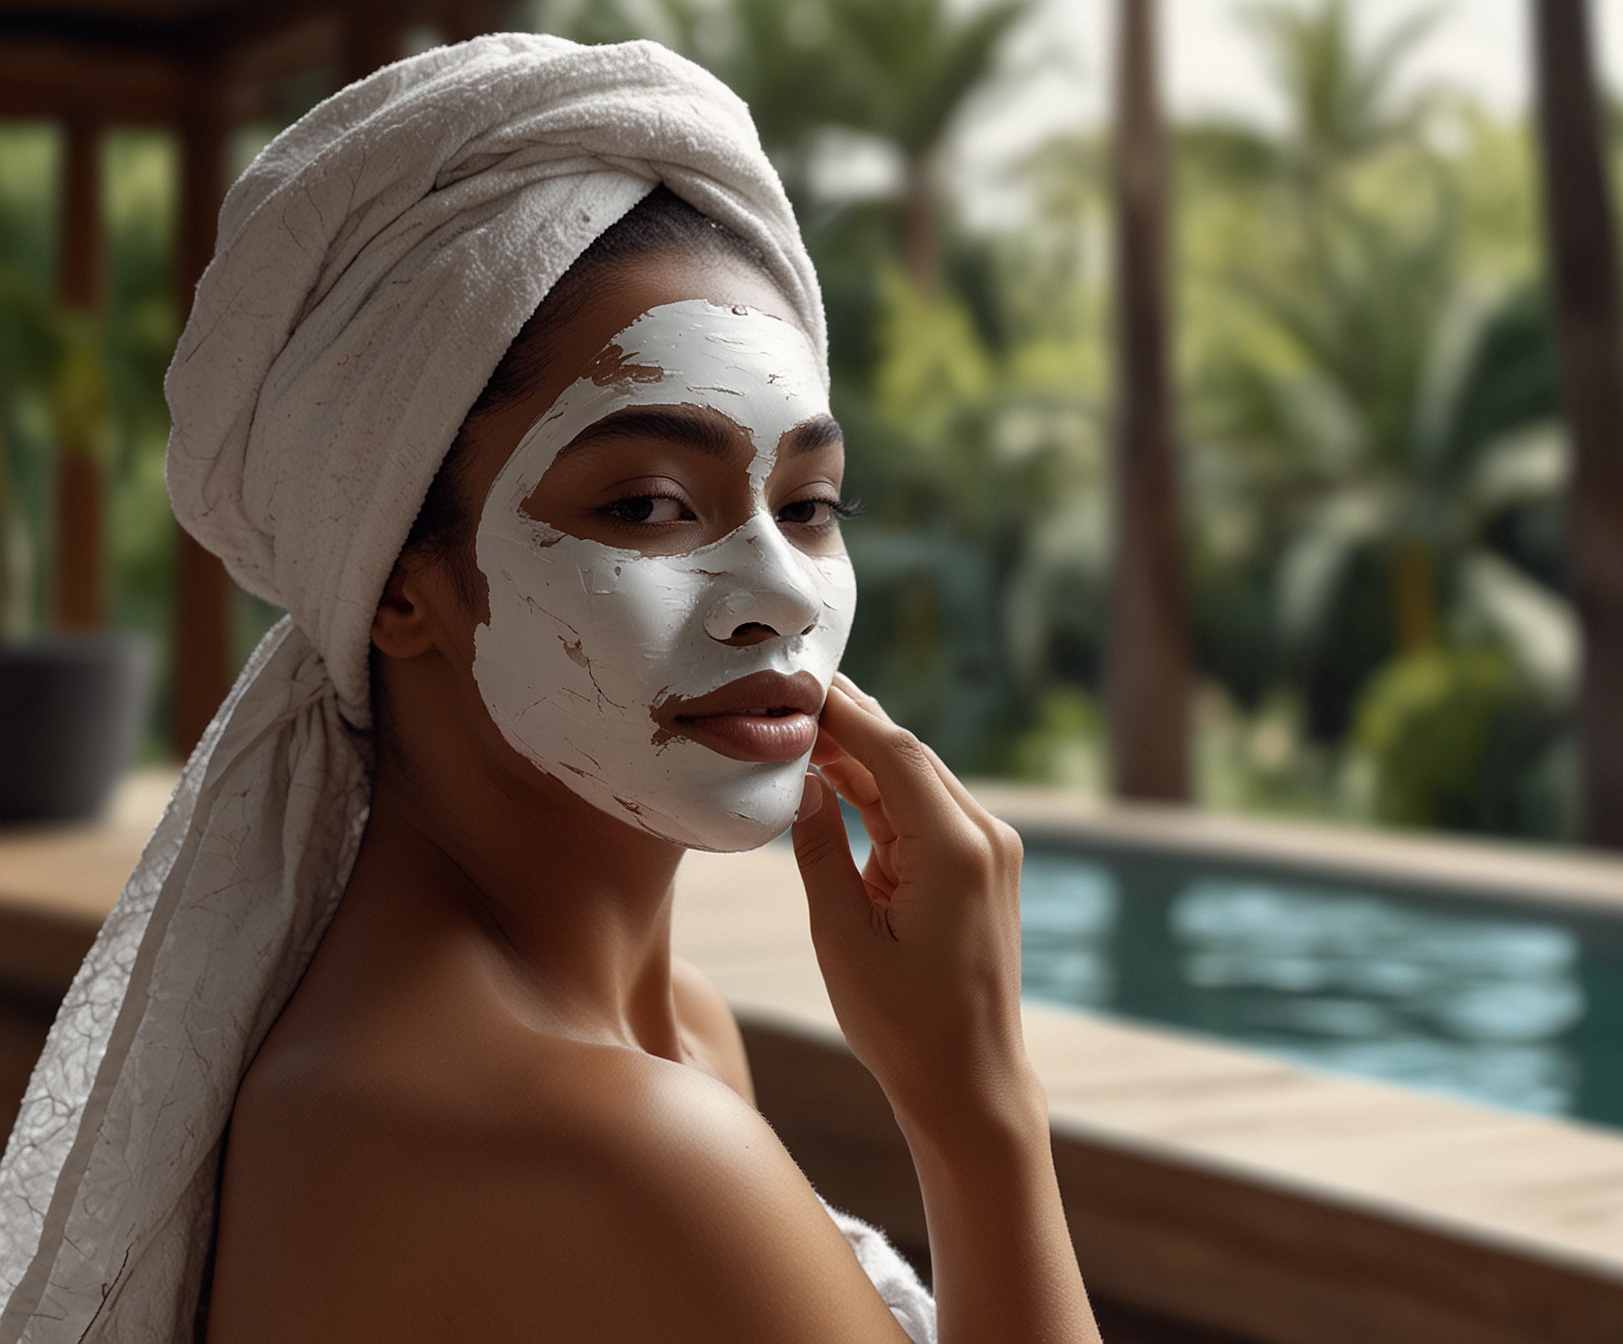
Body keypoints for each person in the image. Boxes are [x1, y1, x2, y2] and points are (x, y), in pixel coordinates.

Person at [0, 34, 1101, 1344]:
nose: (783, 594)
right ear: (398, 581)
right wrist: (979, 1114)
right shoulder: (609, 1144)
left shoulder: (639, 1034)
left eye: (809, 504)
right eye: (647, 504)